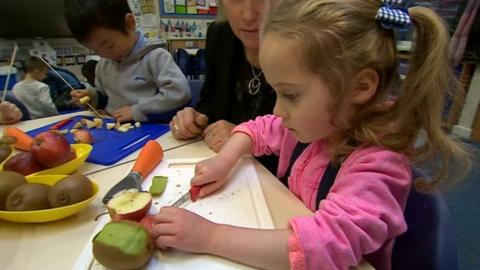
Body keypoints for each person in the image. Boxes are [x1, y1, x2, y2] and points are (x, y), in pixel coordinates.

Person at [152, 1, 471, 269]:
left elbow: (322, 245)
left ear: (360, 87)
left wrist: (210, 237)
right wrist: (226, 159)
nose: (278, 110)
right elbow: (260, 128)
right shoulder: (318, 124)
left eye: (290, 95)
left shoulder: (378, 165)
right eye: (276, 93)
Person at [169, 0, 277, 153]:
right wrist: (197, 119)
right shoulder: (220, 33)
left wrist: (246, 138)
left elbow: (311, 144)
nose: (248, 15)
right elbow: (209, 100)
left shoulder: (308, 45)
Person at [64, 0, 191, 123]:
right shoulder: (104, 64)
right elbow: (105, 96)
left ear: (129, 23)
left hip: (153, 129)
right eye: (96, 51)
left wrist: (138, 111)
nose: (105, 55)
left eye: (109, 45)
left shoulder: (155, 57)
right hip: (115, 128)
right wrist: (91, 97)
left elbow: (179, 95)